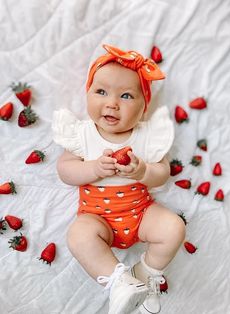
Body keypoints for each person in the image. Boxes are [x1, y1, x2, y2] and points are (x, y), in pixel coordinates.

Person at [52, 44, 186, 314]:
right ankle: (119, 282)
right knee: (79, 235)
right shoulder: (83, 134)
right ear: (87, 94)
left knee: (174, 228)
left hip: (140, 213)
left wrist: (143, 172)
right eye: (101, 92)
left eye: (126, 96)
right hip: (97, 217)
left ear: (143, 107)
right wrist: (93, 169)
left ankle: (145, 273)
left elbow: (163, 173)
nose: (112, 103)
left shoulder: (146, 136)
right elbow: (65, 171)